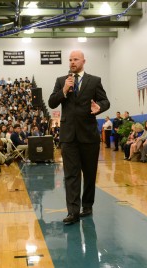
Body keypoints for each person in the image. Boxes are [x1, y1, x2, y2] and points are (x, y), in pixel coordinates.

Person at [48, 50, 110, 225]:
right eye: (70, 60)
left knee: (89, 174)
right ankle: (72, 212)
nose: (72, 62)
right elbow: (52, 102)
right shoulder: (62, 81)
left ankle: (87, 205)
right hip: (68, 136)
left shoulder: (95, 81)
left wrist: (100, 107)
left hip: (89, 135)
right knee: (71, 175)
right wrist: (64, 90)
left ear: (83, 61)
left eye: (75, 59)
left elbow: (105, 101)